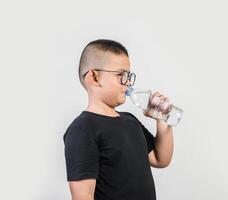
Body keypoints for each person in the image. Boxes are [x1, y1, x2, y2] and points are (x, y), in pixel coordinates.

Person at [63, 39, 174, 200]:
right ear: (93, 77)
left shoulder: (130, 121)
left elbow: (160, 159)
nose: (128, 83)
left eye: (128, 76)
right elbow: (82, 196)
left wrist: (162, 120)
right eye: (121, 75)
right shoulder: (82, 130)